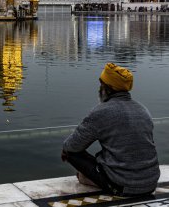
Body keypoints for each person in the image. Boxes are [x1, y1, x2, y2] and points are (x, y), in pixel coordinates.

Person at [62, 63, 160, 196]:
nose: (99, 89)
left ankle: (88, 179)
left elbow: (71, 145)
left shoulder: (101, 112)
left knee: (69, 152)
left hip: (123, 186)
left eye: (101, 85)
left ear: (107, 89)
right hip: (151, 183)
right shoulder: (143, 110)